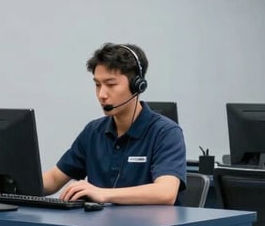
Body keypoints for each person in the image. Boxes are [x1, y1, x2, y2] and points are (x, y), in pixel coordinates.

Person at [42, 43, 187, 204]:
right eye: (97, 85)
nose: (102, 95)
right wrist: (13, 183)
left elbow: (165, 193)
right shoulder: (93, 131)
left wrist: (103, 194)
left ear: (137, 86)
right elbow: (54, 179)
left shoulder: (166, 132)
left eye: (111, 84)